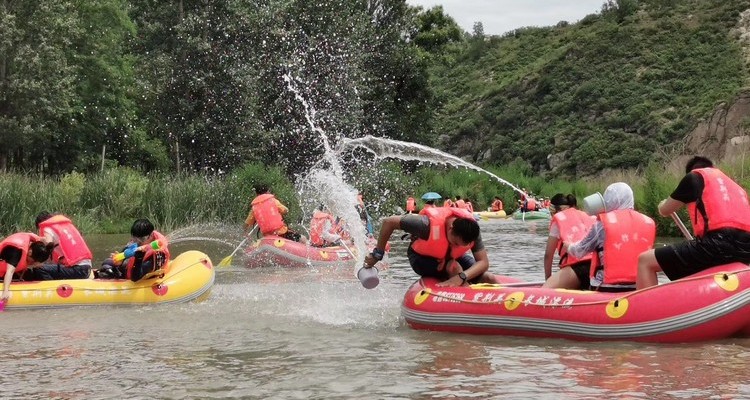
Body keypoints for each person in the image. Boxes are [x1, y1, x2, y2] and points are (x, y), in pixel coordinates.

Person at [637, 156, 750, 289]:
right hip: (746, 250)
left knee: (645, 260)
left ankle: (648, 308)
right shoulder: (736, 187)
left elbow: (665, 210)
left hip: (716, 245)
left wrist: (662, 204)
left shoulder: (694, 177)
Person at [558, 183, 655, 292]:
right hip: (639, 287)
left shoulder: (602, 224)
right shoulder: (648, 222)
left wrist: (568, 246)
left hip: (606, 287)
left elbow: (579, 251)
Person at [363, 207, 494, 287]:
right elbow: (388, 222)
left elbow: (483, 262)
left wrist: (462, 277)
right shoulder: (425, 225)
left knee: (489, 278)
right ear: (450, 228)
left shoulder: (471, 231)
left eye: (462, 245)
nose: (456, 246)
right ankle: (463, 297)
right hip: (422, 258)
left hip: (452, 259)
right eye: (455, 242)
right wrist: (377, 254)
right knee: (453, 267)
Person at [542, 194, 596, 289]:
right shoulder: (587, 216)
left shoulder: (558, 219)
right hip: (596, 266)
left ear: (556, 210)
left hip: (577, 268)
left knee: (544, 291)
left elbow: (548, 255)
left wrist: (548, 278)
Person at [96, 219, 171, 281]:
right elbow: (126, 252)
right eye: (135, 238)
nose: (137, 242)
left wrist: (139, 258)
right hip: (130, 267)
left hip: (138, 274)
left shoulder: (157, 254)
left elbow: (136, 278)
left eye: (141, 239)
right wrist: (120, 260)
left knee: (106, 269)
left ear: (151, 235)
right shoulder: (137, 242)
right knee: (107, 262)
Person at [32, 211, 93, 280]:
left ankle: (52, 289)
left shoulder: (47, 228)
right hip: (86, 268)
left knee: (39, 269)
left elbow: (48, 242)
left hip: (78, 269)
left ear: (40, 224)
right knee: (49, 266)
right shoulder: (67, 226)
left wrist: (37, 239)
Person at [1, 233, 54, 301]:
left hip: (12, 269)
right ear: (30, 252)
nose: (33, 264)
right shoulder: (16, 251)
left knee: (35, 272)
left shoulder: (36, 243)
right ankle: (1, 307)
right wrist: (5, 291)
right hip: (5, 271)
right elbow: (10, 271)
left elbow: (46, 239)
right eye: (33, 261)